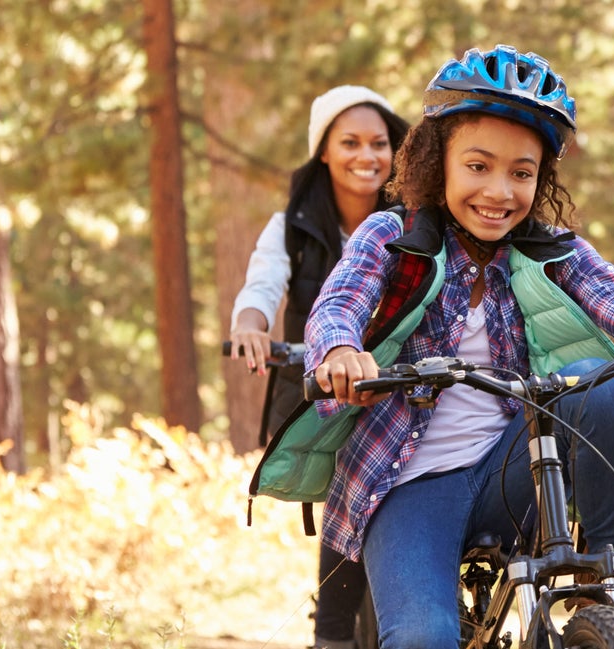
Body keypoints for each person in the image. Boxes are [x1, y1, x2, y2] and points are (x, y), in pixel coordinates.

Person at [303, 45, 614, 648]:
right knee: (421, 640)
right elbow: (340, 302)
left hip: (518, 475)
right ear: (439, 164)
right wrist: (338, 352)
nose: (500, 191)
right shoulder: (394, 235)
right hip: (410, 484)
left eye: (521, 172)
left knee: (603, 380)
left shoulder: (550, 251)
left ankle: (607, 579)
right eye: (478, 166)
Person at [227, 84, 410, 649]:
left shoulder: (418, 217)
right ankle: (332, 637)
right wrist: (251, 326)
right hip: (329, 387)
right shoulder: (292, 226)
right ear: (324, 152)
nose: (367, 156)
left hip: (408, 383)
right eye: (349, 142)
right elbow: (263, 282)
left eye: (379, 143)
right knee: (349, 483)